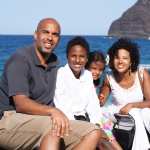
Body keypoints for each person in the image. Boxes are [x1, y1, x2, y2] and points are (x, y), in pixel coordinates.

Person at [0, 18, 102, 150]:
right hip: (8, 120)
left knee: (93, 132)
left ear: (59, 39)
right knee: (54, 128)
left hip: (39, 120)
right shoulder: (20, 59)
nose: (50, 37)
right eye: (45, 32)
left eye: (55, 34)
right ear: (35, 35)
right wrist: (53, 111)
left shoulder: (54, 63)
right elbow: (21, 104)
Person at [99, 38, 150, 150]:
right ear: (112, 59)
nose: (120, 61)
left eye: (125, 58)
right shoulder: (109, 78)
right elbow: (101, 101)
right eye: (117, 57)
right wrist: (100, 98)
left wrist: (132, 105)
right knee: (100, 120)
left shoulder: (141, 74)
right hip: (118, 115)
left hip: (137, 113)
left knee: (139, 113)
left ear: (131, 61)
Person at [85, 51, 122, 150]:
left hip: (95, 115)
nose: (97, 72)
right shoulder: (83, 81)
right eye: (93, 68)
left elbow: (95, 103)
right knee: (106, 131)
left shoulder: (96, 83)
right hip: (86, 117)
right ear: (86, 66)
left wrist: (99, 100)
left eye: (100, 70)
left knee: (108, 130)